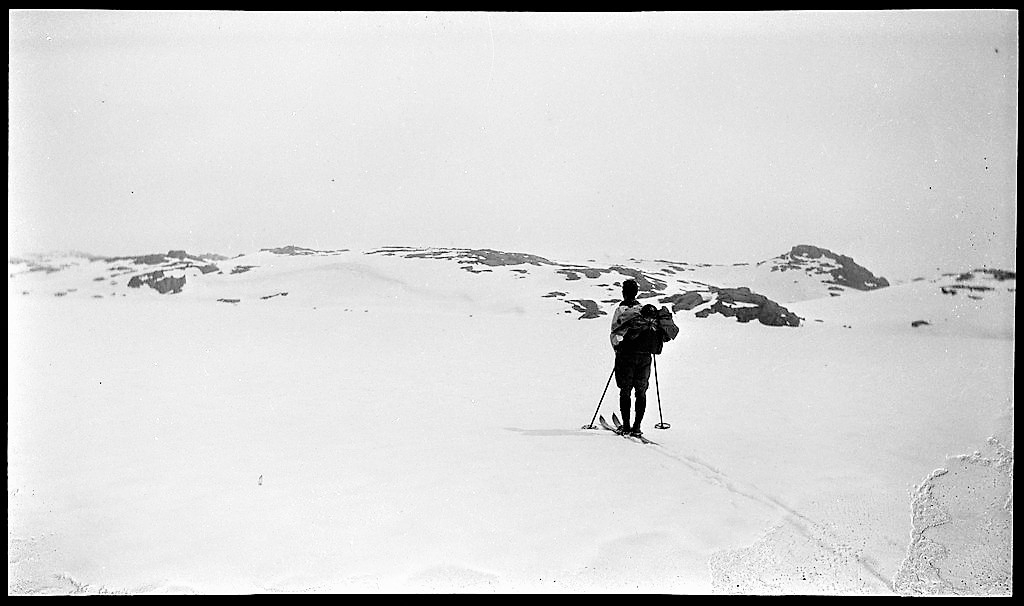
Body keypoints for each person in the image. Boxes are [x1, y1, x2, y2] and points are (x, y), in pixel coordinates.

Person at [609, 279, 678, 437]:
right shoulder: (645, 311)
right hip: (645, 357)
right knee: (641, 392)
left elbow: (615, 333)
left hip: (626, 356)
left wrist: (617, 350)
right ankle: (637, 427)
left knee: (625, 390)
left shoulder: (622, 310)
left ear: (624, 292)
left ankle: (626, 426)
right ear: (636, 292)